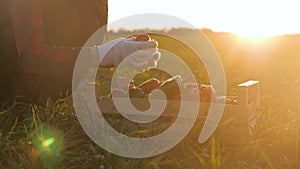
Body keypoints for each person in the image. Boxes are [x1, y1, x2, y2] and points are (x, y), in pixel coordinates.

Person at [0, 0, 160, 100]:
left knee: (88, 18)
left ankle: (45, 95)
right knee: (69, 18)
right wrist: (100, 55)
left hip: (52, 93)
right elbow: (30, 55)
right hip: (11, 84)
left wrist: (121, 51)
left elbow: (88, 43)